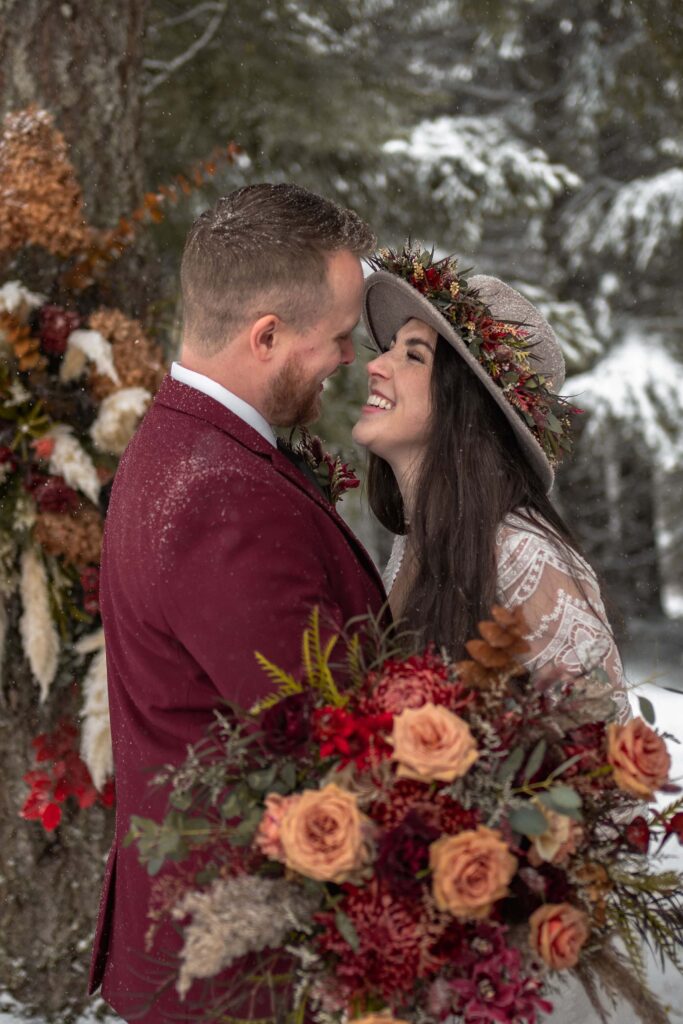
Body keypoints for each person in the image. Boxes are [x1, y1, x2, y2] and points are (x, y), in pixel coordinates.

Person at [88, 184, 387, 1023]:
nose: (345, 361)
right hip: (242, 974)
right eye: (335, 338)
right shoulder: (223, 495)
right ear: (266, 336)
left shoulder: (180, 445)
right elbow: (329, 732)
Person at [352, 243, 629, 726]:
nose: (376, 366)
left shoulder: (524, 555)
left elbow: (604, 774)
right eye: (389, 348)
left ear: (466, 405)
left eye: (413, 356)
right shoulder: (415, 542)